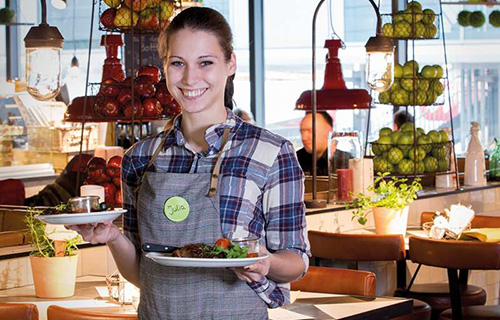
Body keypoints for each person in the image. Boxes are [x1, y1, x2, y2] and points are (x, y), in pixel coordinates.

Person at [66, 7, 309, 320]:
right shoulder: (139, 158)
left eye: (205, 62)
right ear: (165, 67)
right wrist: (112, 237)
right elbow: (143, 273)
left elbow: (296, 262)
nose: (190, 78)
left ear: (230, 64)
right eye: (177, 63)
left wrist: (266, 262)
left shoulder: (270, 152)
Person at [296, 112, 333, 176]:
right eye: (302, 132)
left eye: (310, 131)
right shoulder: (294, 161)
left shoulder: (345, 162)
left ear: (329, 131)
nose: (304, 138)